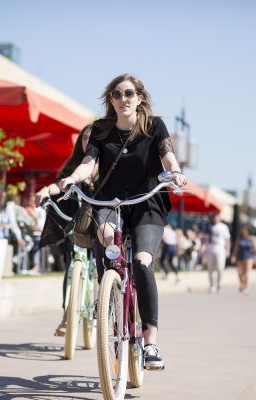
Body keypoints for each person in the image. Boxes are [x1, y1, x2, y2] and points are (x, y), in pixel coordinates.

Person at [58, 74, 187, 369]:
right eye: (117, 94)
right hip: (110, 201)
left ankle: (151, 341)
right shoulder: (102, 129)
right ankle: (110, 289)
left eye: (129, 93)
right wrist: (74, 178)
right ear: (111, 99)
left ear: (139, 97)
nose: (123, 98)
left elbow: (167, 155)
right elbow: (89, 161)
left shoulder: (154, 126)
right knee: (104, 234)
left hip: (147, 204)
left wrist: (176, 171)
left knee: (142, 262)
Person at [35, 124, 96, 336]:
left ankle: (103, 305)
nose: (88, 140)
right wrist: (45, 190)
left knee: (102, 264)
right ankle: (66, 313)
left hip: (100, 223)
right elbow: (58, 185)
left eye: (92, 137)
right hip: (78, 223)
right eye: (85, 137)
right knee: (72, 263)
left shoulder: (107, 164)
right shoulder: (74, 166)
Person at [231, 225, 256, 295]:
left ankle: (246, 287)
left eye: (245, 230)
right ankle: (242, 284)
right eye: (242, 230)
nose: (243, 232)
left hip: (249, 258)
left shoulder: (252, 239)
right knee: (240, 273)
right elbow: (236, 248)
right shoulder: (239, 238)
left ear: (248, 231)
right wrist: (233, 256)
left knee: (246, 274)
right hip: (240, 257)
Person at [204, 212, 230, 293]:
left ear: (219, 218)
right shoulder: (209, 226)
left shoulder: (223, 227)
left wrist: (228, 250)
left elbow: (227, 239)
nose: (215, 219)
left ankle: (218, 284)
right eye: (214, 217)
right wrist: (204, 247)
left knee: (220, 268)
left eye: (216, 217)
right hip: (210, 249)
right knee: (210, 269)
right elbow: (206, 238)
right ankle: (212, 285)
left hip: (220, 250)